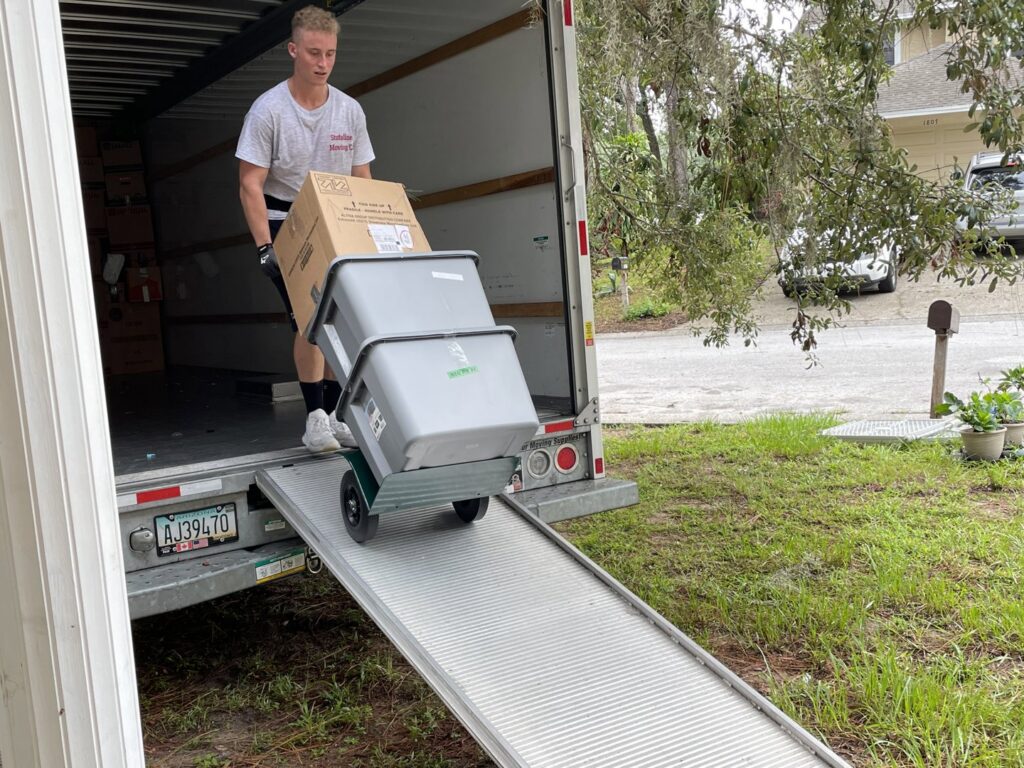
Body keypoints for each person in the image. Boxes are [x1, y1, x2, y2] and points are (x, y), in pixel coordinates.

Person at [236, 5, 374, 453]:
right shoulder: (268, 111)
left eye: (331, 54)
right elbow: (249, 184)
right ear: (293, 50)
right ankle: (314, 417)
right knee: (311, 318)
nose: (323, 63)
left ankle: (335, 415)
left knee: (342, 321)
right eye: (314, 53)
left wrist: (367, 234)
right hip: (286, 221)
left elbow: (363, 180)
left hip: (336, 218)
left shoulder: (350, 111)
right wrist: (264, 248)